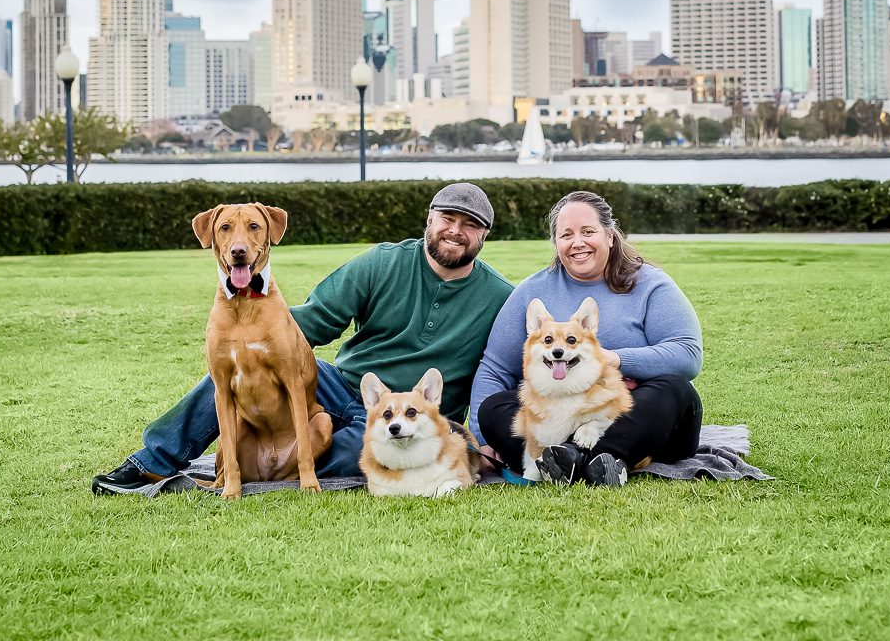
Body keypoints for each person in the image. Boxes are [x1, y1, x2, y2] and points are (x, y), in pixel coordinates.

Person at [92, 183, 514, 494]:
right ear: (430, 220)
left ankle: (267, 466)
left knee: (367, 455)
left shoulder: (499, 296)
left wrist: (480, 433)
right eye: (448, 219)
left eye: (470, 225)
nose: (456, 231)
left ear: (484, 236)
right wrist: (250, 339)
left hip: (409, 415)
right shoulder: (382, 263)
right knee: (241, 366)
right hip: (341, 385)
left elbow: (501, 372)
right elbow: (313, 321)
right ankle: (149, 462)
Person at [470, 189, 703, 487]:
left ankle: (582, 458)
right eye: (566, 235)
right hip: (558, 416)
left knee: (675, 389)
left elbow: (688, 354)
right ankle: (586, 464)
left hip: (636, 415)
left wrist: (614, 359)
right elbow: (495, 368)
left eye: (588, 231)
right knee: (495, 407)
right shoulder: (533, 291)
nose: (577, 242)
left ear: (610, 235)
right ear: (556, 243)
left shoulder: (651, 284)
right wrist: (481, 434)